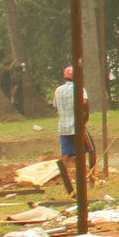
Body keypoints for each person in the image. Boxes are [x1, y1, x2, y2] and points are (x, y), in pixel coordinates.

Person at [52, 66, 88, 195]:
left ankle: (65, 180)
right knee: (88, 150)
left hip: (63, 127)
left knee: (65, 155)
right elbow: (84, 103)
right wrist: (86, 118)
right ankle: (88, 178)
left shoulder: (58, 90)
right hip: (77, 126)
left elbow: (55, 107)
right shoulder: (79, 88)